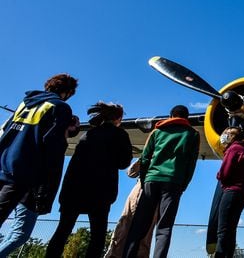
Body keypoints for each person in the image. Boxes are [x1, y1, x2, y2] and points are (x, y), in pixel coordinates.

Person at [45, 102, 133, 258]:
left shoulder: (88, 135)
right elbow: (124, 163)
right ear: (118, 118)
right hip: (101, 192)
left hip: (73, 191)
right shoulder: (120, 135)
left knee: (62, 231)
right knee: (97, 237)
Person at [124, 105, 199, 258]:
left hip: (151, 181)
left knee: (139, 224)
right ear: (186, 117)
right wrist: (183, 184)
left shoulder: (156, 132)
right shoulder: (193, 134)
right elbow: (191, 163)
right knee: (164, 227)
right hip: (173, 182)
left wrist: (145, 179)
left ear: (171, 115)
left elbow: (145, 157)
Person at [0, 73, 77, 224]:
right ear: (68, 92)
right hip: (20, 173)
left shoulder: (25, 103)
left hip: (3, 164)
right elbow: (53, 145)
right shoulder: (60, 107)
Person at [0, 115, 80, 258]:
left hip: (31, 192)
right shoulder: (55, 143)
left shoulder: (53, 142)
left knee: (16, 233)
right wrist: (41, 194)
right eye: (76, 124)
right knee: (20, 235)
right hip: (32, 194)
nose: (78, 128)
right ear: (69, 126)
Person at [208, 126, 244, 258]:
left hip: (231, 192)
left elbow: (224, 174)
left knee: (222, 230)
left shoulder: (233, 149)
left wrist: (219, 176)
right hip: (241, 194)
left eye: (225, 133)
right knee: (231, 230)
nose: (222, 136)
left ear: (231, 136)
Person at [104, 161, 156, 258]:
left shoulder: (152, 157)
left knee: (127, 229)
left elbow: (131, 172)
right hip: (149, 198)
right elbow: (131, 172)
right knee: (138, 232)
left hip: (142, 194)